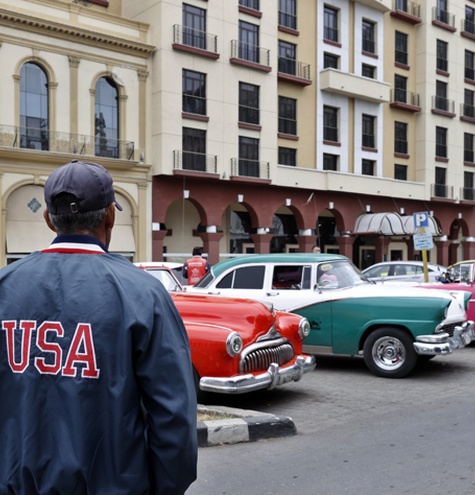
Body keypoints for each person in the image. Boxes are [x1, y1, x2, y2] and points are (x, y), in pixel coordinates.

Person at [0, 160, 197, 495]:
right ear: (110, 215)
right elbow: (173, 416)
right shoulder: (142, 293)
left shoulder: (5, 286)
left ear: (49, 219)